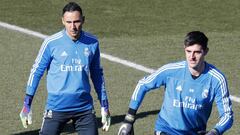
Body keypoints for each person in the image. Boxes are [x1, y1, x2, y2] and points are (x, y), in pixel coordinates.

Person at [19, 2, 111, 135]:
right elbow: (36, 72)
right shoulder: (51, 43)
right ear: (62, 21)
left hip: (84, 108)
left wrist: (104, 105)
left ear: (83, 20)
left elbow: (97, 75)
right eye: (69, 22)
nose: (73, 27)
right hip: (56, 107)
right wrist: (27, 104)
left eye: (76, 21)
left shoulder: (93, 42)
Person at [118, 31, 233, 135]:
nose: (191, 57)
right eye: (188, 51)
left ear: (206, 51)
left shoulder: (217, 79)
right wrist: (129, 118)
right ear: (184, 49)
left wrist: (215, 132)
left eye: (197, 52)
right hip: (166, 130)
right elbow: (142, 84)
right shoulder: (170, 71)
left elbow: (227, 115)